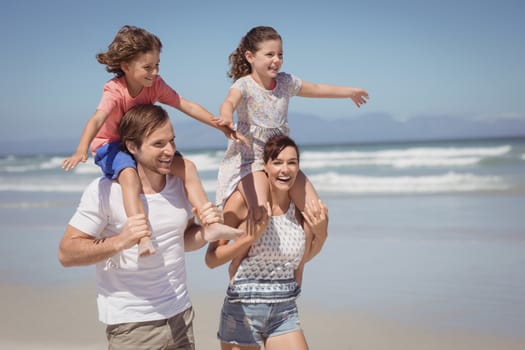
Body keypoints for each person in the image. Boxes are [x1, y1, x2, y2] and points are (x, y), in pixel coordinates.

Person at [59, 104, 230, 349]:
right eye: (158, 144)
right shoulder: (105, 191)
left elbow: (180, 240)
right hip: (133, 326)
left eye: (172, 141)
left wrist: (204, 233)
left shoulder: (178, 184)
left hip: (181, 316)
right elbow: (66, 252)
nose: (170, 151)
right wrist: (121, 240)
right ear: (132, 146)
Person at [62, 25, 242, 256]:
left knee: (187, 166)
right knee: (128, 175)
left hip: (139, 141)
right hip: (111, 143)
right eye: (148, 67)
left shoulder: (155, 85)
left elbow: (185, 104)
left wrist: (220, 125)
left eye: (157, 65)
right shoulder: (114, 90)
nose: (155, 72)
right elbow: (97, 119)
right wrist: (81, 149)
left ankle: (210, 222)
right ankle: (142, 236)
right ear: (126, 66)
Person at [215, 25, 368, 227]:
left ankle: (300, 259)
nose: (276, 60)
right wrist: (226, 116)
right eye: (269, 54)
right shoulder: (244, 85)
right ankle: (243, 256)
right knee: (261, 213)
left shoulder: (285, 82)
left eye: (280, 54)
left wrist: (350, 92)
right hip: (251, 160)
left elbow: (317, 88)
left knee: (318, 214)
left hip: (281, 157)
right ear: (250, 57)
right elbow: (229, 102)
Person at [206, 134, 329, 349]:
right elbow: (212, 259)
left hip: (284, 311)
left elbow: (302, 258)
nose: (285, 169)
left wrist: (322, 233)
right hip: (243, 311)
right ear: (265, 166)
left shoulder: (298, 211)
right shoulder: (242, 203)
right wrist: (249, 238)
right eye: (278, 162)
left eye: (292, 163)